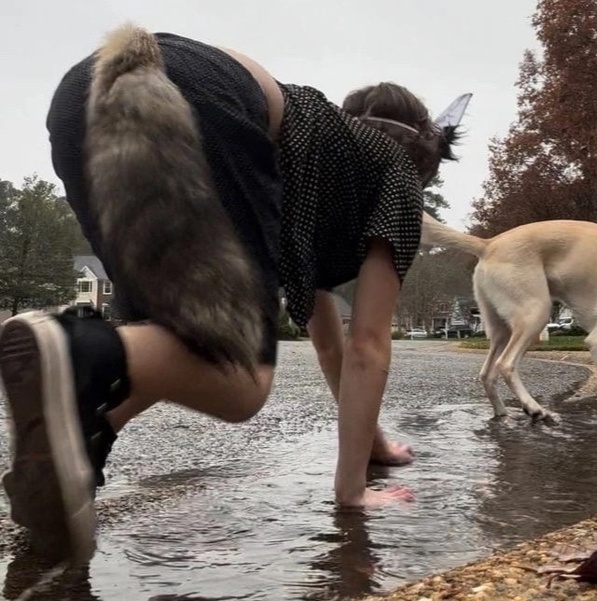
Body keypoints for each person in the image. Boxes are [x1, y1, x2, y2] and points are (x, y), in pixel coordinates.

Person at [0, 25, 459, 565]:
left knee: (171, 345)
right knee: (239, 381)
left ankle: (62, 463)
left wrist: (374, 444)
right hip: (194, 93)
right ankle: (74, 345)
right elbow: (368, 346)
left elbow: (332, 349)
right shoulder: (396, 171)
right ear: (423, 160)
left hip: (85, 89)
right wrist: (351, 489)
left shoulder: (325, 166)